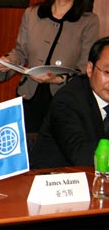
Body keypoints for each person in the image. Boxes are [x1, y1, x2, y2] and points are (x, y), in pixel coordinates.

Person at [0, 0, 99, 134]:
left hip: (64, 101)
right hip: (29, 98)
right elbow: (20, 52)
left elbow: (85, 70)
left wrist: (57, 79)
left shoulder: (88, 21)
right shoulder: (33, 13)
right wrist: (8, 63)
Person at [30, 37, 109, 169]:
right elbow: (82, 156)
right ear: (90, 69)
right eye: (108, 72)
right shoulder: (67, 100)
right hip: (54, 181)